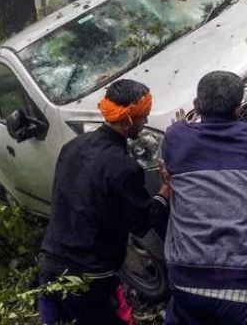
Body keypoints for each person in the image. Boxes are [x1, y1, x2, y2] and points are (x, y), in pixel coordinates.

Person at [37, 79, 171, 325]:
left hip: (49, 265)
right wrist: (164, 191)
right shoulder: (122, 167)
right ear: (128, 121)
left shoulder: (72, 147)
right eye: (143, 117)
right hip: (89, 277)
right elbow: (144, 222)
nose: (146, 122)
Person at [163, 72, 247, 325]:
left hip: (186, 280)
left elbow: (174, 149)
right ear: (238, 109)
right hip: (244, 287)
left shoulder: (176, 137)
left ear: (197, 106)